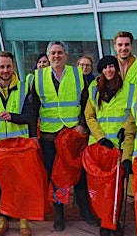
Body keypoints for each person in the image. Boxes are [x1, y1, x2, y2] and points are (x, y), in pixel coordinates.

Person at [31, 41, 95, 231]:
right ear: (48, 56)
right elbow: (34, 107)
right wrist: (33, 134)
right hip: (50, 136)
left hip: (72, 134)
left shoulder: (77, 74)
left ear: (66, 56)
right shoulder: (37, 77)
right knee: (54, 175)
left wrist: (82, 125)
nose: (56, 56)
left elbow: (87, 104)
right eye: (53, 53)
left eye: (60, 53)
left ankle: (85, 211)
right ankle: (59, 214)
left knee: (79, 173)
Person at [84, 56, 137, 235]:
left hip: (120, 146)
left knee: (117, 188)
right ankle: (104, 220)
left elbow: (133, 115)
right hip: (99, 148)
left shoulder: (130, 89)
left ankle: (113, 221)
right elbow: (89, 116)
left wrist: (125, 129)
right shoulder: (94, 89)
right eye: (105, 67)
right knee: (101, 188)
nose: (109, 70)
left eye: (112, 67)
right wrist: (100, 138)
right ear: (101, 71)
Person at [0, 51, 34, 236]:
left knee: (21, 183)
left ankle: (22, 218)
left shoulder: (24, 88)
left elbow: (30, 116)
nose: (5, 70)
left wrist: (13, 117)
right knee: (2, 184)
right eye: (1, 66)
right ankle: (4, 218)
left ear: (13, 67)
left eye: (8, 66)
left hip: (19, 147)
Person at [113, 31, 137, 96]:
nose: (123, 48)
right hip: (113, 106)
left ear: (131, 46)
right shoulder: (108, 66)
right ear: (115, 47)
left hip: (135, 106)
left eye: (127, 44)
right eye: (120, 45)